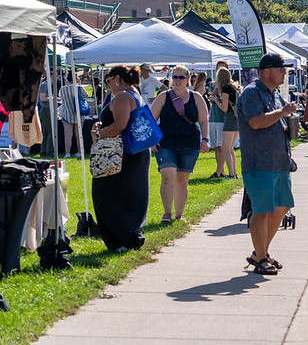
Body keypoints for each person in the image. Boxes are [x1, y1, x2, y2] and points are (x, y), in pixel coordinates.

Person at [237, 53, 297, 275]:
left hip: (279, 161)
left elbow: (276, 119)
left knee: (281, 208)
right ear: (266, 72)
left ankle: (260, 253)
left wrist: (288, 127)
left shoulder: (274, 94)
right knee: (261, 211)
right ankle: (261, 258)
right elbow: (255, 121)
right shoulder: (252, 92)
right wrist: (283, 112)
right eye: (280, 69)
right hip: (259, 161)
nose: (284, 73)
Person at [91, 65, 150, 253]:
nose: (108, 86)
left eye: (108, 81)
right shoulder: (133, 93)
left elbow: (120, 125)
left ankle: (123, 238)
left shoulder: (123, 95)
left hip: (122, 154)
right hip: (133, 152)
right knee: (130, 194)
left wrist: (99, 134)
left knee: (104, 193)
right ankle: (129, 236)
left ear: (117, 78)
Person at [149, 65, 210, 222]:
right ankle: (167, 213)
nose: (177, 80)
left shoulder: (196, 97)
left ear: (188, 79)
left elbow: (203, 120)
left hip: (189, 143)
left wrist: (205, 139)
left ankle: (178, 215)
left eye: (181, 77)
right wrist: (152, 140)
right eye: (175, 77)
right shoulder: (163, 97)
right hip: (166, 143)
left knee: (182, 181)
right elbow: (151, 120)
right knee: (168, 175)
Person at [210, 67, 242, 178]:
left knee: (225, 148)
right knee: (230, 149)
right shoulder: (234, 87)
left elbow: (224, 108)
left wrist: (215, 100)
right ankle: (234, 173)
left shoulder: (226, 89)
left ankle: (232, 174)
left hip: (230, 118)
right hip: (238, 118)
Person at [59, 73, 88, 158]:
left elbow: (60, 98)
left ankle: (67, 153)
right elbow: (86, 95)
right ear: (77, 79)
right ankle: (80, 152)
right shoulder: (79, 88)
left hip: (67, 113)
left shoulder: (62, 89)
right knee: (79, 134)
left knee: (68, 135)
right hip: (78, 113)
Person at [208, 61, 230, 178]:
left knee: (222, 147)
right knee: (216, 147)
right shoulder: (213, 84)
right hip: (213, 117)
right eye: (218, 68)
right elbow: (210, 96)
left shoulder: (228, 86)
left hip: (222, 118)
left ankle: (219, 170)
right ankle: (220, 170)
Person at [38, 72, 54, 157]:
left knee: (46, 132)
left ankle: (43, 151)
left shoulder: (46, 85)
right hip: (46, 110)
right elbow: (42, 98)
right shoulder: (45, 85)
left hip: (46, 110)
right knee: (50, 131)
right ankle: (49, 151)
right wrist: (53, 98)